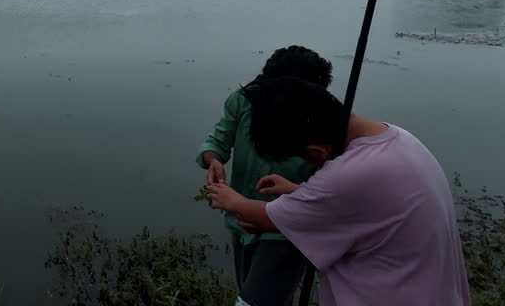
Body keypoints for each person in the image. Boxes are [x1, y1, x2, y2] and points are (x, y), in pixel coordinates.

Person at [206, 77, 470, 306]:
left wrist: (232, 200)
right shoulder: (398, 138)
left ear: (318, 152)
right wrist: (298, 190)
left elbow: (267, 217)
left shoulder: (346, 174)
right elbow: (363, 205)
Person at [197, 45, 334, 306]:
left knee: (255, 300)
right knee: (256, 293)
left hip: (286, 229)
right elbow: (216, 142)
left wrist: (296, 192)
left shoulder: (320, 117)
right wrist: (214, 161)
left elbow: (329, 183)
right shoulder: (243, 101)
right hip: (240, 221)